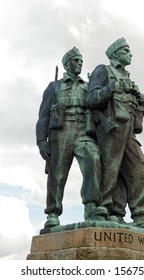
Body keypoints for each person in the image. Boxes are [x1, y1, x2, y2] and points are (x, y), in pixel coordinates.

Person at [86, 38, 144, 235]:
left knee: (138, 170)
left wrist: (140, 101)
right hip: (111, 127)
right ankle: (105, 210)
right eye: (127, 51)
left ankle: (140, 217)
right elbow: (91, 99)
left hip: (129, 129)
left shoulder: (129, 78)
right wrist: (110, 88)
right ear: (116, 54)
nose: (131, 55)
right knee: (110, 170)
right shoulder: (103, 70)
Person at [36, 47, 107, 230]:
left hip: (83, 131)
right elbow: (43, 116)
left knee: (93, 158)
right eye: (76, 61)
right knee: (57, 173)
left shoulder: (87, 85)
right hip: (61, 132)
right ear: (67, 64)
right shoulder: (54, 87)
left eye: (81, 61)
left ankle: (91, 206)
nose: (79, 64)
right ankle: (53, 213)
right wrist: (41, 141)